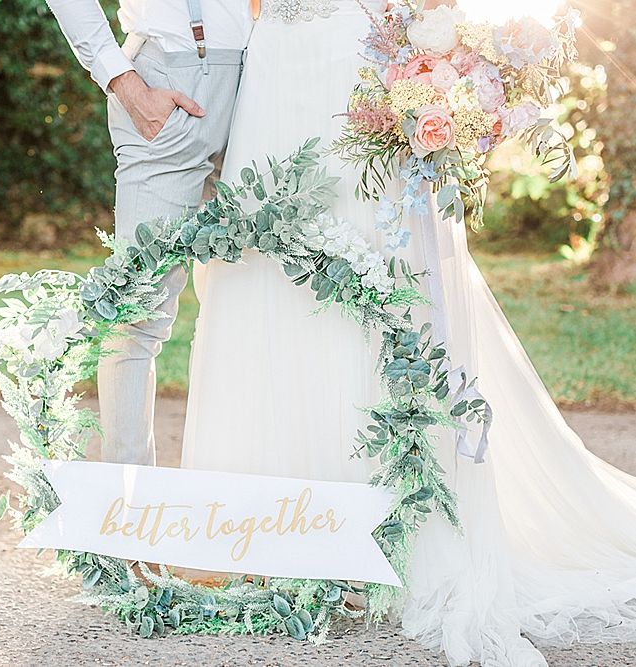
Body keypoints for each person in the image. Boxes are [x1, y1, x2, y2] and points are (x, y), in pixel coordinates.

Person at [181, 1, 636, 665]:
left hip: (349, 67)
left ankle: (375, 519)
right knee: (265, 266)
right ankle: (267, 521)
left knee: (366, 261)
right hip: (270, 67)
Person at [45, 0, 253, 464]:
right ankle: (130, 508)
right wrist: (124, 82)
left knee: (263, 295)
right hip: (170, 78)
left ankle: (251, 499)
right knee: (137, 309)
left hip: (261, 83)